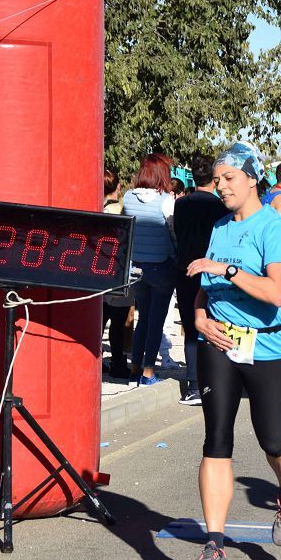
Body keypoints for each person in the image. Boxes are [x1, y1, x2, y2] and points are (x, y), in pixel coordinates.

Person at [183, 141, 281, 560]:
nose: (222, 186)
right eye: (217, 180)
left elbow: (276, 293)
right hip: (220, 344)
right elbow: (202, 287)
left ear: (252, 178)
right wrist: (198, 317)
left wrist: (228, 271)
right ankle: (213, 546)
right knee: (216, 438)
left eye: (229, 179)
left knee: (272, 439)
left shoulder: (274, 229)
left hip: (270, 347)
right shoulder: (219, 227)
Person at [174, 154, 230, 405]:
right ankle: (215, 381)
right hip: (212, 270)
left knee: (190, 326)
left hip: (185, 269)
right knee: (215, 325)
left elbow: (177, 233)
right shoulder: (220, 207)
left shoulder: (181, 204)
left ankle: (194, 385)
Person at [122, 153, 177, 386]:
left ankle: (135, 366)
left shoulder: (127, 197)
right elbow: (174, 233)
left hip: (136, 268)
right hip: (161, 266)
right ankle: (148, 371)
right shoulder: (166, 201)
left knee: (142, 319)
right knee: (156, 321)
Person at [101, 167, 132, 380]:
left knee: (99, 320)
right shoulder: (122, 210)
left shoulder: (95, 208)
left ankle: (96, 359)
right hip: (118, 269)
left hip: (98, 268)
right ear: (118, 187)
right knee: (118, 322)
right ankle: (118, 363)